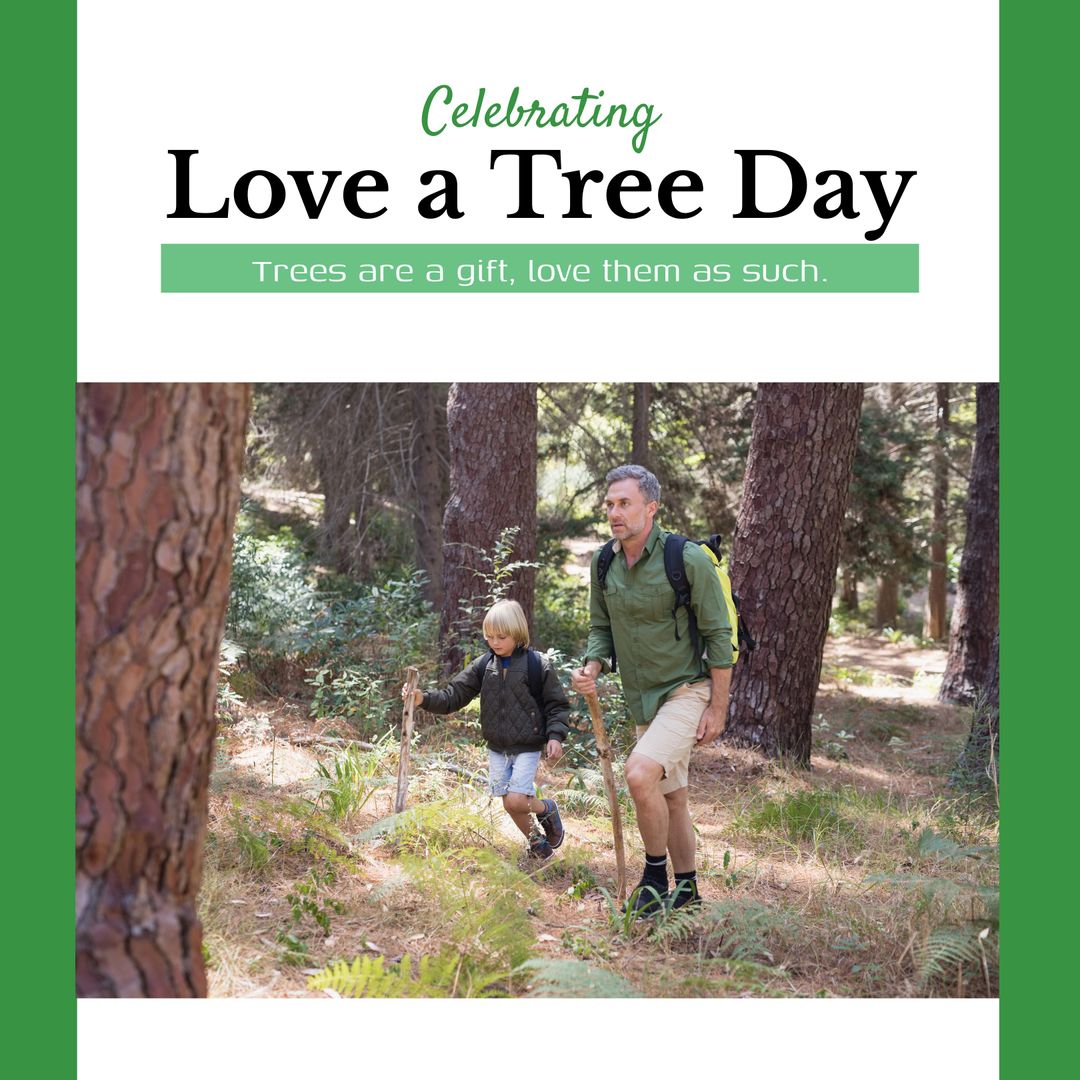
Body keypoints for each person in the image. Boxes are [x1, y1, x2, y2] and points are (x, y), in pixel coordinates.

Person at [571, 464, 733, 913]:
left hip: (687, 691)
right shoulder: (604, 563)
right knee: (672, 797)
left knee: (640, 774)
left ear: (651, 507)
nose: (614, 513)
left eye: (625, 503)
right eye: (610, 504)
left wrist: (718, 708)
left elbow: (719, 635)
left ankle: (654, 881)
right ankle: (688, 891)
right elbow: (600, 627)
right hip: (643, 700)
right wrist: (592, 667)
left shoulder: (686, 559)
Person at [403, 599, 570, 860]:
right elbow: (453, 695)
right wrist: (422, 698)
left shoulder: (537, 665)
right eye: (489, 637)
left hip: (526, 746)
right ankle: (538, 845)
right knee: (508, 803)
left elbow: (556, 705)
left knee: (516, 800)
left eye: (501, 637)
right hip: (496, 748)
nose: (494, 642)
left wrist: (555, 736)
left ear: (517, 633)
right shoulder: (484, 665)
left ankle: (547, 808)